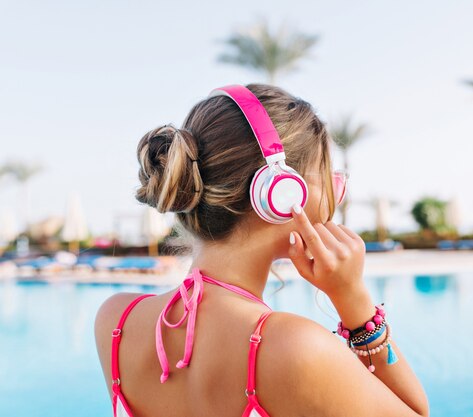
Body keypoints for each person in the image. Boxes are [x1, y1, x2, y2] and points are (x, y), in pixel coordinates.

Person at [94, 84, 429, 417]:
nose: (336, 191)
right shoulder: (295, 349)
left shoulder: (115, 322)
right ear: (282, 192)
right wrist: (355, 303)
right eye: (327, 176)